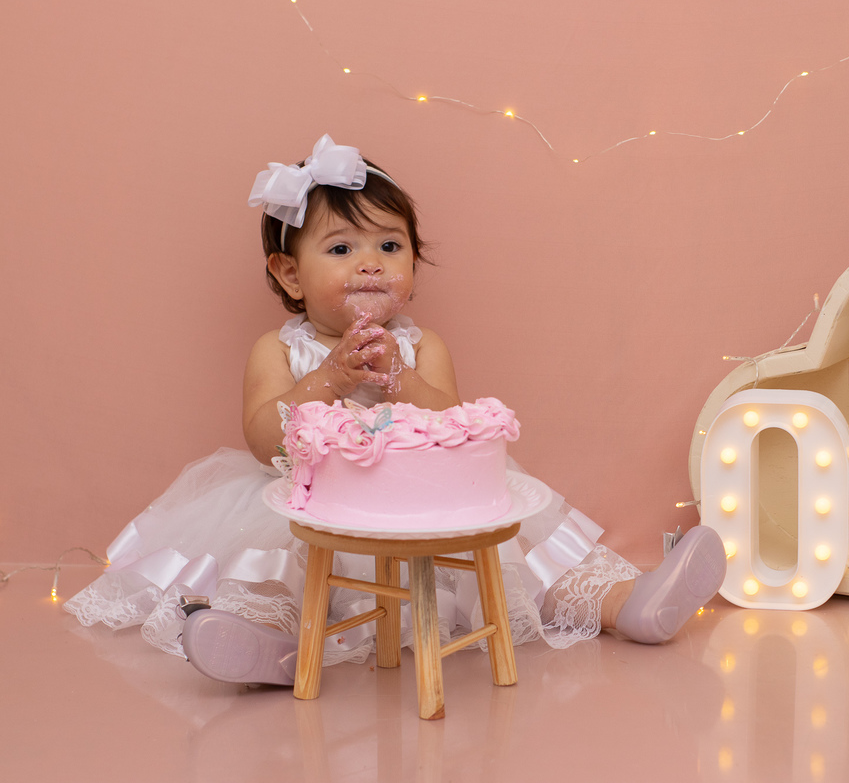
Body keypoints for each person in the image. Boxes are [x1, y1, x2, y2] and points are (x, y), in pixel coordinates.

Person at [65, 135, 726, 685]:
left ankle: (626, 602)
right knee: (270, 567)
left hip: (420, 505)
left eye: (389, 247)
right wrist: (329, 377)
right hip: (313, 504)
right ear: (290, 274)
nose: (371, 266)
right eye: (341, 249)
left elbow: (452, 424)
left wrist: (400, 381)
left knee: (524, 542)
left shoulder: (420, 346)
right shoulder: (281, 350)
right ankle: (264, 644)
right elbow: (267, 440)